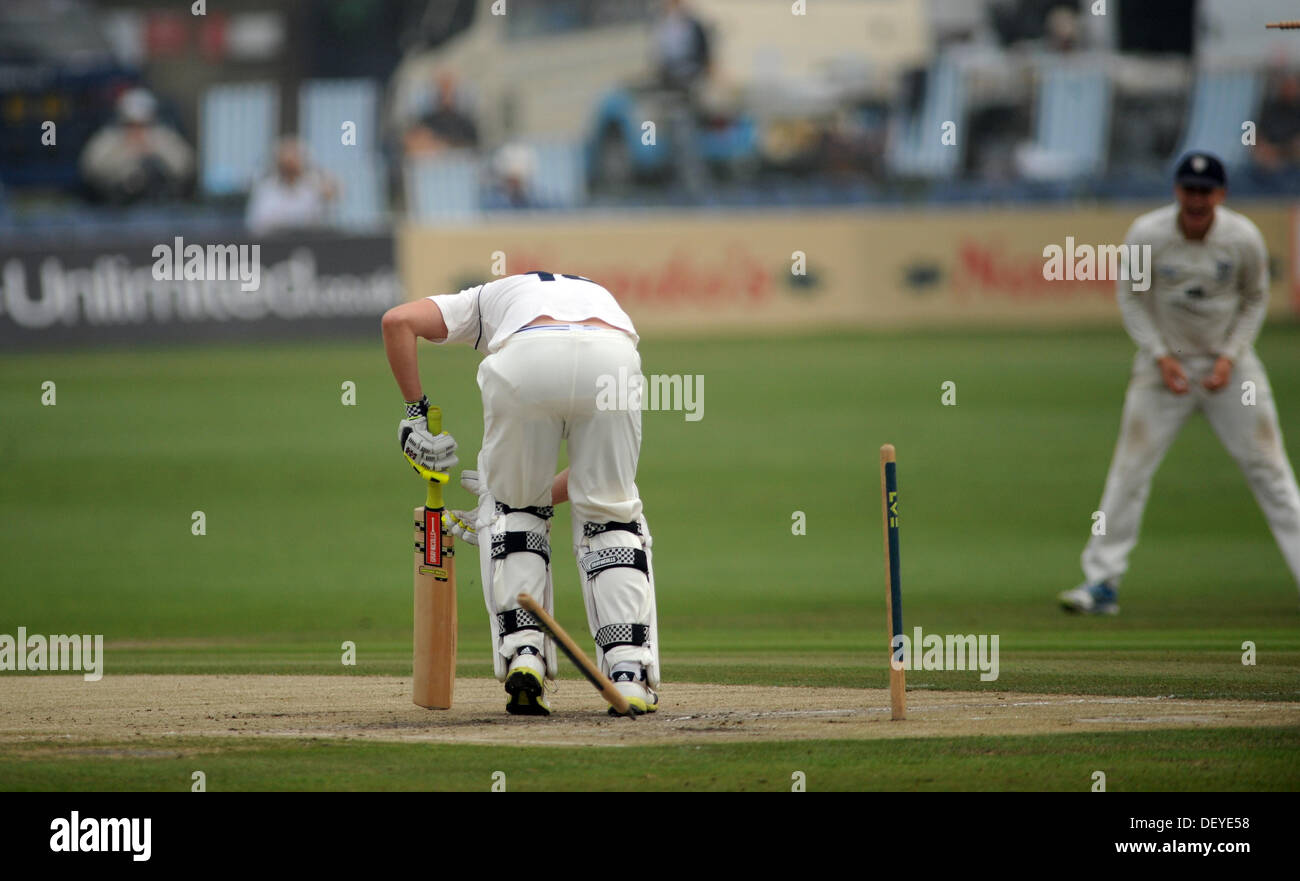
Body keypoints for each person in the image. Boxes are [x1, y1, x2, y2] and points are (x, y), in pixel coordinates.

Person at [381, 272, 661, 715]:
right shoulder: (594, 295)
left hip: (527, 361)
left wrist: (415, 419)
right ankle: (630, 675)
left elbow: (397, 320)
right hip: (613, 360)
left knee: (516, 512)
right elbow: (587, 479)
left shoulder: (479, 301)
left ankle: (525, 656)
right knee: (611, 513)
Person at [1061, 152, 1300, 614]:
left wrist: (1229, 358)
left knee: (1271, 470)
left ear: (1221, 194)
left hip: (1230, 370)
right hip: (1162, 367)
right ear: (1176, 191)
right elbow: (1130, 296)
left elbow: (1254, 299)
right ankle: (1101, 584)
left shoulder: (1242, 237)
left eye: (1205, 191)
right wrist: (1161, 355)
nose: (1196, 199)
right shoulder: (1148, 235)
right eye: (1189, 189)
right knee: (1130, 469)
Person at [80, 88, 194, 204]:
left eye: (142, 125)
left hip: (161, 205)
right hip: (116, 209)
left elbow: (185, 165)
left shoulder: (163, 137)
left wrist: (154, 151)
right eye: (131, 125)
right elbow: (91, 167)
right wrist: (125, 153)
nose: (137, 130)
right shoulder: (110, 138)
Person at [245, 137, 338, 235]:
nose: (290, 164)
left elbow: (323, 221)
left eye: (295, 158)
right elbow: (257, 223)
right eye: (286, 161)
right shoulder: (266, 190)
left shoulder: (313, 188)